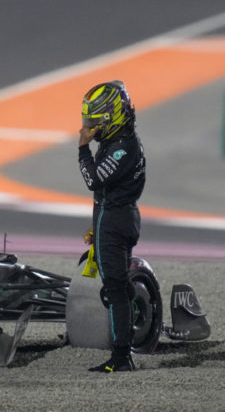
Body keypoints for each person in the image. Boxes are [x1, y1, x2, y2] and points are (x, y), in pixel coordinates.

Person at [77, 80, 146, 373]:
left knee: (115, 289)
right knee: (119, 286)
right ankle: (128, 338)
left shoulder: (122, 148)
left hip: (115, 220)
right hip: (118, 218)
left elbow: (94, 180)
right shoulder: (121, 141)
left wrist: (82, 150)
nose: (88, 128)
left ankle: (121, 357)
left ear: (111, 117)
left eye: (94, 122)